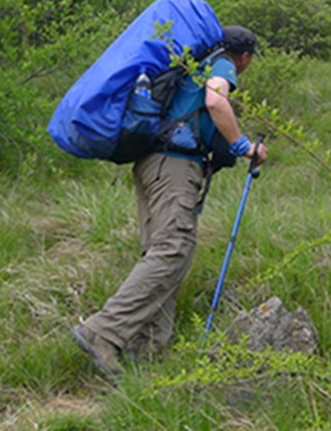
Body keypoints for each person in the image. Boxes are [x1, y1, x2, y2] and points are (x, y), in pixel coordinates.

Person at [70, 25, 269, 377]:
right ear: (246, 57)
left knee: (164, 253)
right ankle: (103, 330)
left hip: (153, 163)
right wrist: (244, 147)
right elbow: (216, 99)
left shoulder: (192, 66)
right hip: (174, 165)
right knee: (173, 248)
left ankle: (147, 351)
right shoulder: (222, 64)